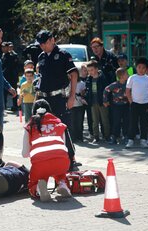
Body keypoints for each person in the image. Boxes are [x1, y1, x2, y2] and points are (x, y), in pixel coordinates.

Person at [35, 30, 79, 170]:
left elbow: (73, 75)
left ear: (51, 40)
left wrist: (72, 96)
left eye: (43, 43)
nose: (42, 46)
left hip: (59, 98)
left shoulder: (63, 55)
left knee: (64, 127)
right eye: (40, 44)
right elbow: (40, 78)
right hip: (44, 99)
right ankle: (51, 157)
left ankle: (70, 158)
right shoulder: (41, 56)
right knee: (45, 128)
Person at [22, 99, 72, 202]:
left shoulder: (30, 126)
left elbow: (25, 153)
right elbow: (64, 148)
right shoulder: (59, 124)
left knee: (36, 178)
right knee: (58, 169)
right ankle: (62, 183)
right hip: (62, 162)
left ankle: (38, 189)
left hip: (41, 163)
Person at [125, 57, 148, 148]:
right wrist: (131, 101)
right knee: (133, 122)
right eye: (139, 67)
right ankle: (130, 140)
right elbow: (128, 90)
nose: (141, 69)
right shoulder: (132, 78)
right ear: (136, 67)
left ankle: (143, 140)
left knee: (144, 123)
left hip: (145, 104)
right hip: (134, 104)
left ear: (147, 68)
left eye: (143, 68)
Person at [85, 60, 110, 144]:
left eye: (91, 70)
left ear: (96, 69)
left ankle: (107, 136)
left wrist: (106, 100)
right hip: (93, 102)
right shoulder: (89, 79)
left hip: (102, 102)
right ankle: (96, 137)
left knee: (105, 120)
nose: (90, 72)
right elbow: (88, 90)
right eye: (88, 70)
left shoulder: (102, 78)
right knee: (95, 121)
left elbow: (106, 90)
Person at [103, 67, 130, 145]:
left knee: (126, 121)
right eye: (126, 74)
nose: (128, 75)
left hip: (126, 105)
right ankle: (114, 137)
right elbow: (106, 90)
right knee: (116, 122)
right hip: (116, 106)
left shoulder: (128, 84)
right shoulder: (115, 85)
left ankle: (126, 136)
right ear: (121, 76)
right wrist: (105, 101)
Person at [2, 41, 20, 111]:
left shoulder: (12, 56)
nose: (3, 48)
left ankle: (15, 105)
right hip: (5, 76)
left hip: (12, 77)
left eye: (5, 47)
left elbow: (10, 67)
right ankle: (4, 106)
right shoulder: (3, 55)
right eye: (2, 47)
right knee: (4, 92)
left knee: (13, 91)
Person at [70, 68, 87, 142]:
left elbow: (83, 94)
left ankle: (79, 137)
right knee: (72, 122)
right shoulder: (68, 83)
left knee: (79, 121)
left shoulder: (82, 83)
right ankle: (73, 137)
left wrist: (81, 95)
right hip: (71, 105)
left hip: (80, 105)